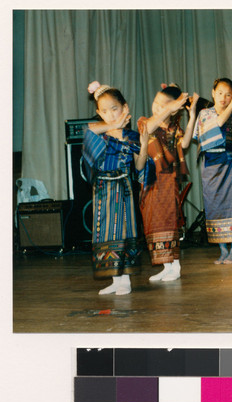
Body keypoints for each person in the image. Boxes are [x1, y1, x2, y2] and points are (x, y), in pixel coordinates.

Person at [83, 81, 151, 295]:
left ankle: (125, 281)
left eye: (115, 109)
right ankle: (115, 279)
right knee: (105, 232)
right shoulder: (99, 134)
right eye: (104, 111)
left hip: (122, 187)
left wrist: (145, 143)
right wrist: (114, 125)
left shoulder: (131, 137)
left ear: (125, 108)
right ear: (98, 113)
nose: (111, 114)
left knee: (123, 230)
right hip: (102, 189)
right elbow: (89, 131)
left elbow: (139, 166)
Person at [137, 84, 199, 282]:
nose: (157, 108)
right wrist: (168, 108)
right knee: (152, 222)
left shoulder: (174, 128)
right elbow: (147, 130)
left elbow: (186, 143)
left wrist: (192, 115)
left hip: (168, 181)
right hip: (150, 181)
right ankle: (166, 266)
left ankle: (175, 265)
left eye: (163, 105)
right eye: (156, 103)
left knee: (167, 221)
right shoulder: (145, 122)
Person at [193, 78, 232, 264]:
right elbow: (218, 123)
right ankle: (222, 250)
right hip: (211, 166)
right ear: (213, 93)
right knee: (214, 208)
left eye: (228, 94)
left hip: (230, 164)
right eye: (220, 93)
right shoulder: (205, 113)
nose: (224, 97)